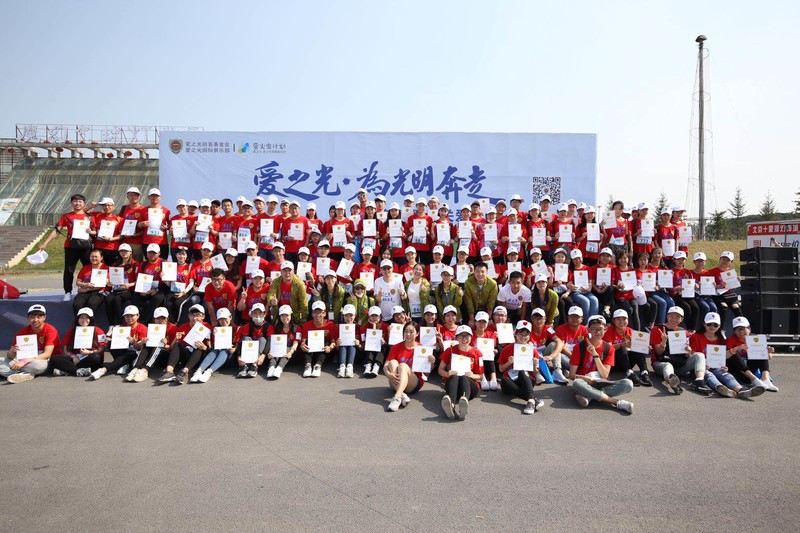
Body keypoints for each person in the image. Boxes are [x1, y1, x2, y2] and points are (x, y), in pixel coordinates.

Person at [690, 312, 766, 399]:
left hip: (716, 366)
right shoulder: (695, 337)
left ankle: (741, 389)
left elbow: (722, 356)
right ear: (704, 324)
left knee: (725, 374)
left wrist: (724, 365)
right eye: (709, 324)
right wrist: (703, 363)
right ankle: (720, 387)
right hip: (701, 367)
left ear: (719, 326)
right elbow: (693, 355)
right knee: (709, 374)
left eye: (715, 325)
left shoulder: (721, 339)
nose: (712, 327)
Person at [568, 315, 634, 414]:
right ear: (588, 330)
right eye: (594, 329)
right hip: (585, 382)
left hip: (601, 383)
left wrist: (595, 355)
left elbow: (604, 375)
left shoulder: (609, 348)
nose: (597, 332)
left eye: (600, 329)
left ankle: (589, 396)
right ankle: (616, 402)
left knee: (628, 384)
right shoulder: (579, 346)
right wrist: (584, 378)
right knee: (577, 383)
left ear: (605, 330)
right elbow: (571, 375)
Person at [39, 193, 93, 301]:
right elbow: (57, 230)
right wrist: (45, 242)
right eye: (75, 201)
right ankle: (67, 292)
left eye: (80, 201)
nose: (77, 203)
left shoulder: (90, 216)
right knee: (69, 270)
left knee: (89, 268)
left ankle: (88, 290)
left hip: (86, 246)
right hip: (71, 247)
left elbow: (95, 230)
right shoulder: (67, 216)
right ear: (71, 203)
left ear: (84, 203)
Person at [649, 306, 710, 395]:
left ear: (681, 319)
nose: (674, 319)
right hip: (661, 363)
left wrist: (688, 351)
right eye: (671, 316)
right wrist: (663, 342)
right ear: (667, 316)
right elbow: (659, 353)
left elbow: (687, 355)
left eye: (677, 317)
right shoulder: (657, 329)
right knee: (668, 365)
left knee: (699, 355)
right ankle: (672, 381)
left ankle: (699, 381)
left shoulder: (684, 332)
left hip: (679, 365)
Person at [1, 304, 61, 383]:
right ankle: (26, 374)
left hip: (43, 361)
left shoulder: (50, 330)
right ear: (28, 318)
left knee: (37, 366)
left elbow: (47, 354)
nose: (35, 320)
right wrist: (12, 352)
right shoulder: (22, 332)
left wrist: (24, 361)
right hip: (23, 361)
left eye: (38, 317)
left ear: (44, 317)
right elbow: (10, 356)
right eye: (32, 317)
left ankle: (18, 372)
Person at [384, 321, 434, 412]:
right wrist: (388, 374)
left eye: (411, 332)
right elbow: (386, 365)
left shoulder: (422, 348)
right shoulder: (396, 347)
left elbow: (426, 373)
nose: (408, 334)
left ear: (417, 334)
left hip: (413, 382)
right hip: (395, 380)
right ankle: (401, 394)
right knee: (392, 362)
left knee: (403, 366)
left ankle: (397, 398)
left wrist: (431, 363)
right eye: (406, 331)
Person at [497, 320, 545, 415]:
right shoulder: (507, 349)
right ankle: (532, 399)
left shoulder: (533, 351)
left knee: (522, 372)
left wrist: (534, 365)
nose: (523, 337)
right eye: (520, 334)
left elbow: (535, 373)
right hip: (511, 380)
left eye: (526, 334)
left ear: (529, 336)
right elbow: (501, 369)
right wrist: (509, 362)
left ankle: (530, 401)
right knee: (505, 381)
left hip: (526, 380)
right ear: (515, 334)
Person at [438, 325, 484, 420]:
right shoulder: (450, 350)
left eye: (467, 336)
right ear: (456, 337)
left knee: (464, 377)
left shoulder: (478, 353)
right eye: (461, 336)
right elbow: (440, 370)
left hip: (470, 386)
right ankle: (451, 405)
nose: (464, 339)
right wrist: (447, 374)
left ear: (471, 337)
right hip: (453, 386)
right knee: (455, 376)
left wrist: (472, 375)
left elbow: (481, 376)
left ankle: (464, 403)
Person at [89, 305, 148, 381]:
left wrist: (133, 342)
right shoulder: (120, 328)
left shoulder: (143, 328)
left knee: (129, 354)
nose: (129, 318)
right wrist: (107, 341)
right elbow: (112, 344)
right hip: (123, 352)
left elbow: (141, 349)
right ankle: (123, 365)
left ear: (138, 316)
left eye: (132, 316)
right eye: (127, 316)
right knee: (111, 343)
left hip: (135, 355)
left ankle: (103, 370)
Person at [157, 304, 211, 385]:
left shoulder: (207, 327)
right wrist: (175, 339)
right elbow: (172, 348)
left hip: (199, 358)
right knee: (178, 344)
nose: (194, 318)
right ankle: (169, 372)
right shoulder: (183, 327)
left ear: (203, 316)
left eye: (198, 315)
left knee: (199, 348)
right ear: (188, 316)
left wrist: (204, 347)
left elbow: (210, 348)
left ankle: (184, 372)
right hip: (186, 356)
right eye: (192, 315)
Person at [126, 306, 177, 383]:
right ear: (154, 319)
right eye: (157, 318)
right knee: (147, 344)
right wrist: (144, 341)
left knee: (158, 347)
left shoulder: (173, 328)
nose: (160, 321)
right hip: (154, 356)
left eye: (163, 318)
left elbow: (175, 350)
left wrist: (166, 345)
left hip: (166, 357)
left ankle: (145, 370)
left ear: (167, 318)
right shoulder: (151, 328)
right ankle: (135, 369)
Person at [726, 316, 778, 392]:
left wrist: (768, 352)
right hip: (740, 372)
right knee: (733, 352)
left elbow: (769, 357)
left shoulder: (755, 338)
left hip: (751, 368)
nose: (741, 332)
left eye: (743, 328)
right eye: (737, 329)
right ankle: (754, 380)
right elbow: (725, 356)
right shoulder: (731, 340)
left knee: (761, 351)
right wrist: (737, 348)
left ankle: (765, 379)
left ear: (749, 329)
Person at [51, 307, 105, 377]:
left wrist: (89, 352)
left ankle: (68, 370)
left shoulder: (98, 330)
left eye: (87, 318)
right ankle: (78, 371)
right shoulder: (72, 331)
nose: (84, 320)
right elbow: (65, 349)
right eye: (81, 317)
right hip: (76, 358)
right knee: (54, 358)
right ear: (77, 319)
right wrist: (73, 356)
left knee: (96, 357)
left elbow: (102, 348)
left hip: (90, 357)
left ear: (91, 319)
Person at [603, 309, 652, 386]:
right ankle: (630, 373)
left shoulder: (630, 331)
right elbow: (608, 349)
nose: (621, 321)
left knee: (638, 347)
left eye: (624, 319)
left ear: (628, 320)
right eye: (618, 319)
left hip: (627, 361)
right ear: (614, 321)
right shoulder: (608, 331)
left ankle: (644, 372)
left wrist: (645, 347)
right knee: (622, 348)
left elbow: (638, 346)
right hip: (614, 363)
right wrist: (621, 344)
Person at [192, 308, 237, 383]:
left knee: (224, 350)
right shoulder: (216, 330)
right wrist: (213, 335)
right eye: (220, 319)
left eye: (225, 318)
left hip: (230, 357)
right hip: (218, 356)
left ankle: (209, 372)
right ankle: (199, 371)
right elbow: (212, 346)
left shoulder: (237, 329)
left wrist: (235, 349)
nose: (223, 321)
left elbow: (239, 344)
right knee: (215, 350)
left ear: (230, 317)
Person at [298, 301, 337, 378]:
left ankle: (318, 366)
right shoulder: (306, 325)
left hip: (325, 354)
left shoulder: (330, 324)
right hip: (311, 353)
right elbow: (303, 341)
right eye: (315, 312)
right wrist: (302, 345)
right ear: (312, 314)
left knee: (325, 340)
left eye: (320, 312)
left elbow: (333, 341)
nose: (318, 314)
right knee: (308, 341)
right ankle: (308, 365)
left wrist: (330, 347)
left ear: (324, 313)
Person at [231, 303, 269, 378]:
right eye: (255, 313)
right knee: (246, 338)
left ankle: (254, 366)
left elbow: (270, 342)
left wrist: (263, 355)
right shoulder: (248, 325)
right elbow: (241, 340)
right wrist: (239, 355)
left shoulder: (268, 326)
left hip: (261, 355)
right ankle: (243, 366)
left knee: (263, 339)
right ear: (251, 314)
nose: (257, 316)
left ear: (264, 314)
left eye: (260, 313)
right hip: (248, 353)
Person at [266, 260, 309, 325]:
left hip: (294, 314)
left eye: (289, 270)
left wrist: (304, 317)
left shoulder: (299, 283)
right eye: (284, 270)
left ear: (293, 271)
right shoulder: (276, 282)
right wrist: (272, 301)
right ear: (281, 272)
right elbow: (271, 294)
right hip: (280, 313)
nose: (287, 273)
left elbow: (303, 301)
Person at [264, 305, 299, 379]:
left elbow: (296, 342)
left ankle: (279, 368)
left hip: (291, 355)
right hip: (278, 354)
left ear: (291, 315)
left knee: (287, 348)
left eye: (287, 315)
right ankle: (271, 368)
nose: (285, 318)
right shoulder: (276, 328)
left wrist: (290, 352)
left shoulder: (297, 328)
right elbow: (273, 342)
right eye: (282, 315)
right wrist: (270, 351)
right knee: (274, 350)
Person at [72, 249, 109, 315]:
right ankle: (80, 320)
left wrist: (86, 289)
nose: (93, 258)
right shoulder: (85, 268)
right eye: (92, 256)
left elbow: (102, 284)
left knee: (91, 304)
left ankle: (90, 321)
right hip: (85, 290)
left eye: (96, 257)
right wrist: (86, 284)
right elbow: (78, 282)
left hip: (99, 291)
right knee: (77, 304)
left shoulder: (106, 268)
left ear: (101, 257)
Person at [463, 262, 499, 328]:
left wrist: (489, 318)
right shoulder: (468, 282)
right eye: (477, 271)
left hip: (486, 308)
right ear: (474, 272)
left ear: (487, 272)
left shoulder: (493, 284)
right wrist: (471, 319)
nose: (480, 274)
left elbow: (491, 302)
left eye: (482, 272)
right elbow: (469, 301)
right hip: (473, 308)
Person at [360, 306, 388, 377]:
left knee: (382, 347)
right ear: (369, 317)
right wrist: (374, 326)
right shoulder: (364, 326)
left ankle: (376, 366)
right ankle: (368, 365)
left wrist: (384, 342)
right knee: (370, 345)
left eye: (376, 316)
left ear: (380, 317)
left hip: (381, 347)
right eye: (372, 316)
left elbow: (388, 341)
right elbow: (364, 341)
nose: (374, 318)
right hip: (369, 348)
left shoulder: (386, 326)